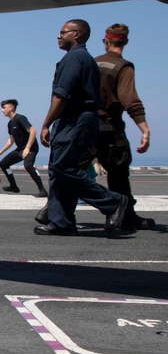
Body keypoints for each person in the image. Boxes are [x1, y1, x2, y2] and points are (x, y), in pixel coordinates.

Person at [35, 19, 127, 236]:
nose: (58, 36)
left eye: (63, 32)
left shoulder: (75, 58)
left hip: (75, 120)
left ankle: (113, 202)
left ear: (76, 35)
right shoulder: (81, 58)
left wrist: (46, 123)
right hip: (75, 120)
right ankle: (62, 222)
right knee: (58, 171)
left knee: (63, 169)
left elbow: (61, 95)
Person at [94, 23, 155, 230]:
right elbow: (130, 101)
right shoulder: (123, 66)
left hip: (85, 125)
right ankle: (124, 215)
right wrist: (144, 129)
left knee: (72, 171)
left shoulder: (92, 63)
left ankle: (57, 213)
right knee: (118, 173)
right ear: (126, 42)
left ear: (105, 41)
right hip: (110, 127)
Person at [0, 99, 47, 197]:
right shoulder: (10, 123)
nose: (2, 110)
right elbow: (11, 140)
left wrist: (27, 148)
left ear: (11, 107)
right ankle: (13, 186)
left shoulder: (20, 118)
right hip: (20, 149)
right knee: (4, 164)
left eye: (4, 107)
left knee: (28, 165)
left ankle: (42, 190)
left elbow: (33, 131)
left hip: (30, 148)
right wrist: (1, 151)